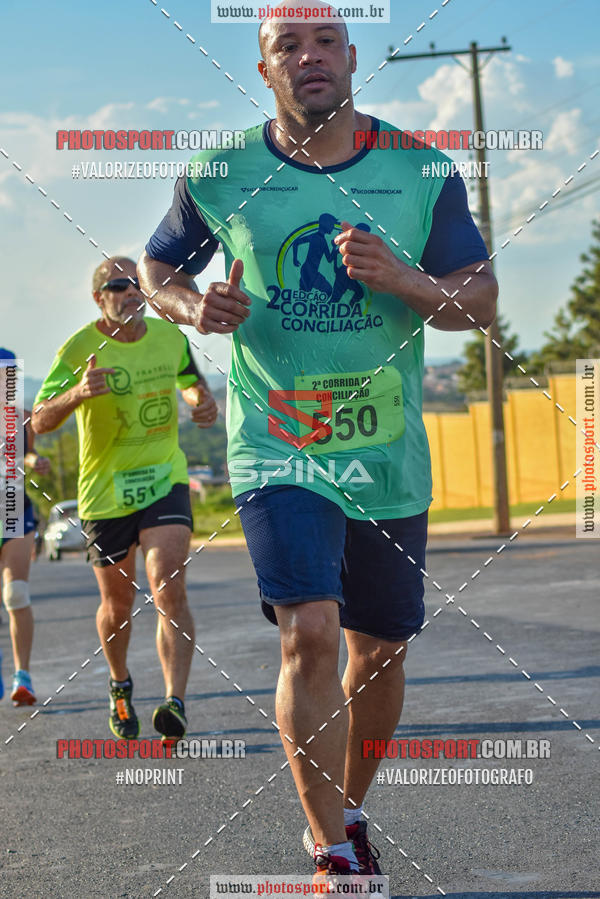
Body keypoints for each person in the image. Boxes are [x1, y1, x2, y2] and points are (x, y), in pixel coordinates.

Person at [137, 0, 498, 880]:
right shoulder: (222, 174)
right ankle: (332, 848)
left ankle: (349, 805)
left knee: (380, 651)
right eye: (285, 45)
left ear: (350, 57)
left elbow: (478, 303)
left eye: (325, 41)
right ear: (264, 70)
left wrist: (404, 278)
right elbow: (156, 269)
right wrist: (195, 307)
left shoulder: (419, 171)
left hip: (384, 453)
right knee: (311, 629)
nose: (309, 56)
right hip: (278, 447)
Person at [31, 258, 218, 742]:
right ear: (99, 298)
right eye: (119, 286)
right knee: (116, 605)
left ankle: (174, 701)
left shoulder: (169, 338)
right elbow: (38, 422)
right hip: (105, 494)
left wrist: (202, 403)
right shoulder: (77, 348)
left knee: (166, 585)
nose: (132, 293)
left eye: (137, 284)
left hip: (164, 478)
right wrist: (76, 393)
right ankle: (120, 685)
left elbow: (191, 384)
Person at [0, 348, 51, 706]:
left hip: (13, 507)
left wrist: (36, 460)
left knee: (16, 593)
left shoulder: (18, 417)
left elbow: (26, 453)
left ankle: (23, 677)